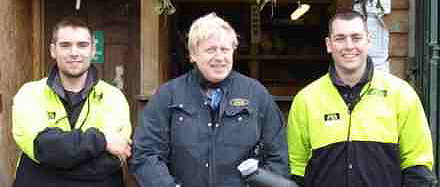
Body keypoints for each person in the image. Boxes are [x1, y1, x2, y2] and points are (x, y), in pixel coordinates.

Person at [130, 12, 289, 187]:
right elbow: (146, 153)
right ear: (193, 55)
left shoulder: (256, 94)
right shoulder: (168, 95)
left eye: (225, 49)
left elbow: (278, 156)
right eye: (210, 50)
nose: (219, 57)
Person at [287, 9, 436, 187]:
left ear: (368, 41)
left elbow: (417, 164)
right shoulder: (306, 100)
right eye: (340, 38)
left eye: (356, 37)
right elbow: (296, 170)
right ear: (329, 44)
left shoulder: (401, 94)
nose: (349, 46)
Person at [12, 16, 132, 187]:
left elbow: (112, 161)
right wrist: (102, 140)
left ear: (92, 50)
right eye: (65, 45)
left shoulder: (114, 98)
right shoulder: (29, 94)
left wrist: (49, 168)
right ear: (53, 50)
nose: (74, 53)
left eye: (82, 45)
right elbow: (42, 148)